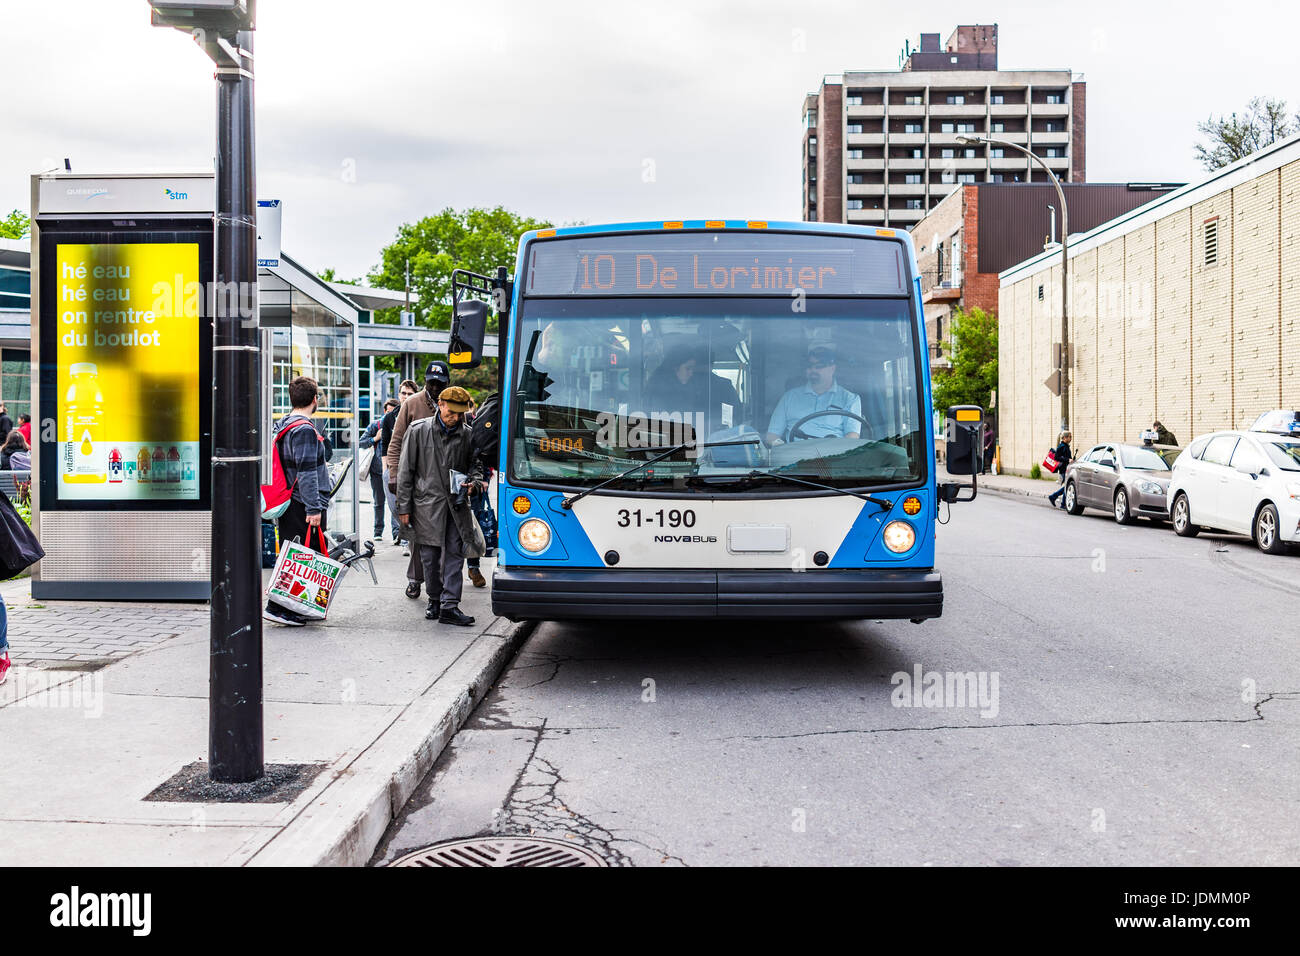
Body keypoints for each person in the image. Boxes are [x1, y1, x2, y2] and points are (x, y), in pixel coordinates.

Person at [396, 386, 485, 626]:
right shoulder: (417, 431)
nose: (455, 417)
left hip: (456, 506)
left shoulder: (467, 434)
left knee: (455, 556)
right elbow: (406, 472)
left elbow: (475, 466)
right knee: (430, 558)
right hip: (426, 506)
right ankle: (434, 599)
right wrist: (403, 508)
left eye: (460, 414)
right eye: (451, 412)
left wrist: (475, 482)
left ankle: (449, 606)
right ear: (440, 404)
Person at [263, 376, 332, 627]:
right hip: (302, 503)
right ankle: (278, 607)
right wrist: (314, 508)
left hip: (291, 501)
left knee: (297, 553)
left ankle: (295, 605)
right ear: (315, 400)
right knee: (299, 557)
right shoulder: (304, 429)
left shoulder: (284, 424)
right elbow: (306, 471)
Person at [387, 363, 451, 600]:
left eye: (440, 383)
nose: (434, 387)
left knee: (443, 537)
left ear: (447, 382)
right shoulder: (412, 403)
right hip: (415, 478)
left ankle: (441, 584)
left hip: (444, 480)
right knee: (417, 533)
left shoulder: (452, 402)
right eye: (431, 382)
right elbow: (395, 442)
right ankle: (415, 579)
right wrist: (394, 474)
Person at [765, 342, 863, 445]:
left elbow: (852, 436)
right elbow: (772, 435)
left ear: (832, 368)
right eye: (810, 366)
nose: (813, 370)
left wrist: (838, 454)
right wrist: (781, 447)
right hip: (795, 456)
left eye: (819, 366)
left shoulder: (850, 399)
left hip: (834, 457)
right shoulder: (789, 397)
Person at [646, 338, 743, 438]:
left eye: (693, 369)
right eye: (689, 368)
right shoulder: (660, 392)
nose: (691, 374)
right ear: (675, 368)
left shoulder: (686, 387)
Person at [382, 380, 417, 545]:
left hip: (414, 467)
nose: (406, 396)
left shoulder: (418, 413)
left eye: (410, 394)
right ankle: (406, 534)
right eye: (403, 393)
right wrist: (387, 471)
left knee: (412, 505)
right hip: (395, 466)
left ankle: (410, 539)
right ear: (398, 394)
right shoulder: (390, 417)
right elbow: (386, 445)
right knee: (395, 506)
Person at [359, 398, 398, 540]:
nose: (389, 416)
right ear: (384, 411)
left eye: (393, 412)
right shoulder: (375, 425)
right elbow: (361, 442)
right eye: (388, 412)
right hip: (376, 470)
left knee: (395, 503)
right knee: (378, 501)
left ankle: (396, 533)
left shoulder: (399, 425)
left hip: (393, 470)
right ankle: (378, 531)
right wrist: (375, 439)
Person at [1046, 430, 1074, 510]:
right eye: (1070, 437)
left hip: (1066, 469)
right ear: (1065, 438)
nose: (1071, 438)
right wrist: (1068, 460)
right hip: (1063, 469)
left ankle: (1056, 498)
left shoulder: (1065, 446)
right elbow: (1056, 457)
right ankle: (1058, 500)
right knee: (1067, 486)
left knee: (1067, 486)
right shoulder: (1061, 446)